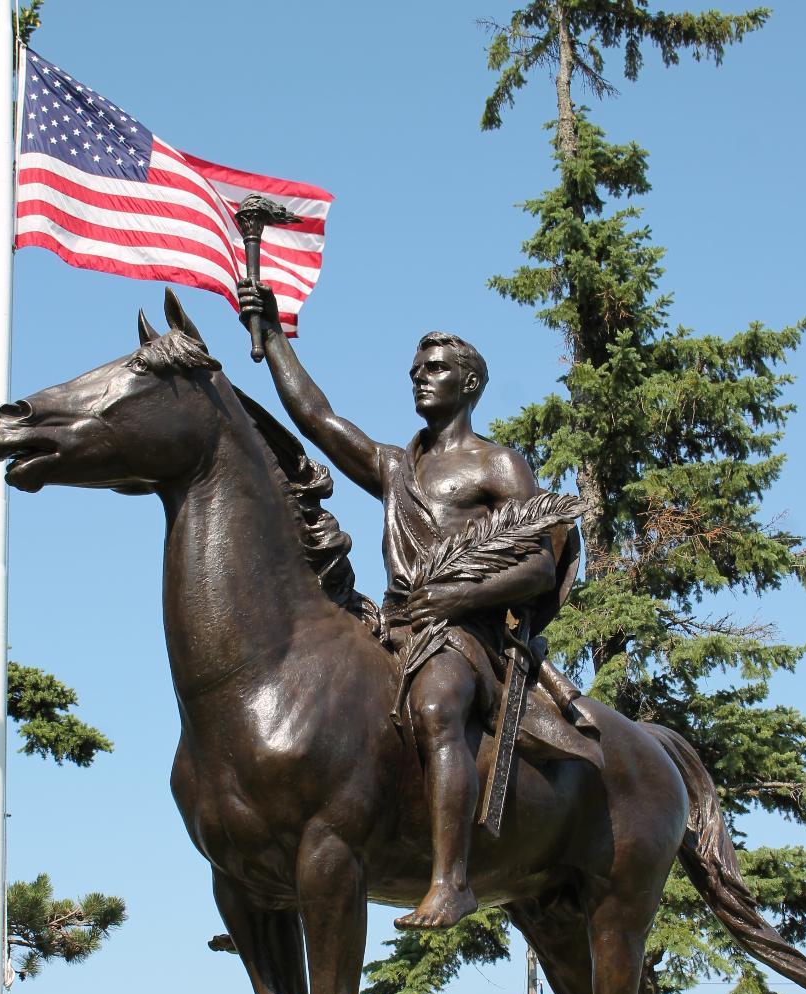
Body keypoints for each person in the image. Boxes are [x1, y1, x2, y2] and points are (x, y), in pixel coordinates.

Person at [238, 281, 569, 929]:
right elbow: (319, 419)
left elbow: (536, 563)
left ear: (470, 383)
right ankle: (277, 872)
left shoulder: (499, 465)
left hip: (462, 635)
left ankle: (452, 880)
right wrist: (272, 336)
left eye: (437, 369)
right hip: (392, 622)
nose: (420, 379)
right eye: (415, 371)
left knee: (437, 703)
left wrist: (459, 594)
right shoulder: (397, 467)